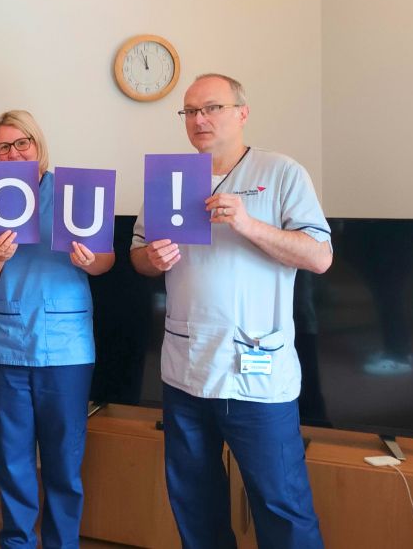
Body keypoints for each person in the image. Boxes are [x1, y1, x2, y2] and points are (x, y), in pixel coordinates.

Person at [130, 74, 333, 548]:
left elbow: (320, 257)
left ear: (241, 113)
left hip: (257, 377)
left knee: (282, 504)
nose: (199, 120)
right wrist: (150, 259)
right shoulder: (170, 179)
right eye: (190, 111)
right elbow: (139, 255)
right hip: (186, 372)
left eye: (212, 108)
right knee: (195, 504)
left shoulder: (282, 172)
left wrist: (248, 223)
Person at [0, 110, 115, 548]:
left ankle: (62, 542)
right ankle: (16, 540)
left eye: (21, 143)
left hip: (66, 349)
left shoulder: (75, 193)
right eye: (2, 147)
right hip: (6, 345)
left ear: (38, 144)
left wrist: (91, 260)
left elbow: (106, 260)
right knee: (11, 458)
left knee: (63, 460)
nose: (12, 153)